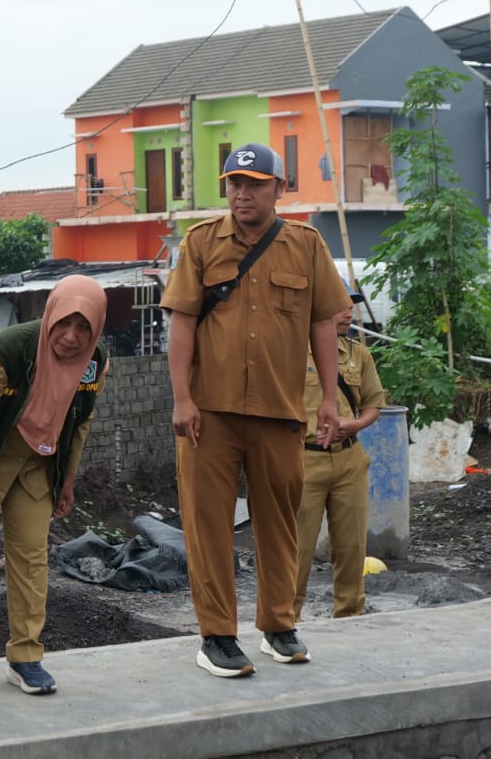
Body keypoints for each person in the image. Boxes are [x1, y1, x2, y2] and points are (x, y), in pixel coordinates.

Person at [160, 143, 349, 678]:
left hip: (280, 410)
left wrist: (329, 398)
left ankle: (279, 625)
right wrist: (181, 398)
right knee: (209, 526)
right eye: (234, 184)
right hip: (209, 414)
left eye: (254, 183)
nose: (242, 193)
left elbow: (322, 326)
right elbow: (181, 324)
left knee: (279, 523)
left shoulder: (306, 246)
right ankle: (217, 636)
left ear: (278, 188)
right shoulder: (200, 244)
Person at [0, 275, 107, 695]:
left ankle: (26, 656)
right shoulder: (6, 351)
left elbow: (80, 422)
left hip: (37, 464)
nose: (71, 336)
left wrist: (67, 480)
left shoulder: (95, 360)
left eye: (84, 327)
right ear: (50, 316)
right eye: (64, 322)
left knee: (31, 558)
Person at [293, 286, 386, 620]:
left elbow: (375, 404)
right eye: (341, 306)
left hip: (350, 459)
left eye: (352, 306)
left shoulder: (358, 354)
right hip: (304, 459)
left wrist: (357, 424)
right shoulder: (290, 352)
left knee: (351, 547)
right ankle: (286, 621)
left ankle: (349, 616)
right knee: (297, 549)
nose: (349, 313)